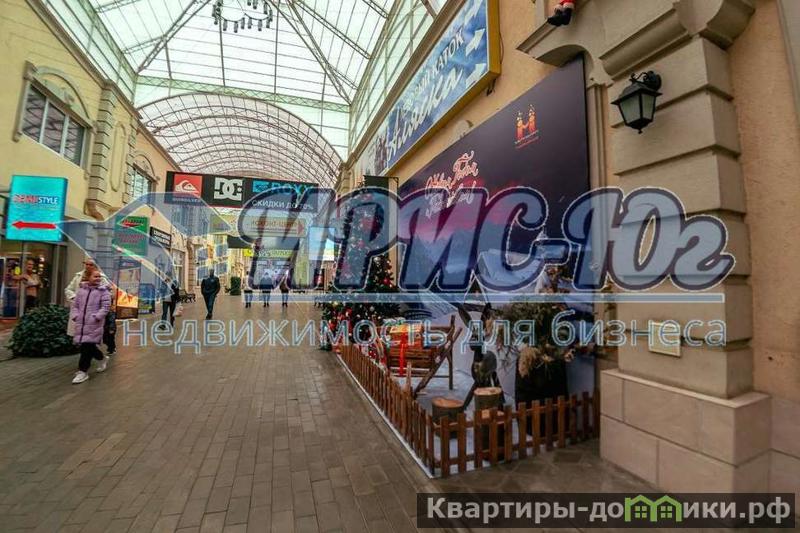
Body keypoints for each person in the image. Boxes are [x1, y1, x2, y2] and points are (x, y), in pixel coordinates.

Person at [70, 269, 112, 384]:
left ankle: (82, 371)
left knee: (86, 347)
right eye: (95, 276)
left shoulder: (103, 291)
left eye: (99, 276)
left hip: (94, 324)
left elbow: (106, 307)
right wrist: (75, 316)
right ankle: (102, 358)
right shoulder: (81, 290)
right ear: (88, 277)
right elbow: (75, 305)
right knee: (88, 346)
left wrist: (97, 317)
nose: (98, 278)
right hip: (81, 323)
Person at [65, 258, 115, 353]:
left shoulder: (101, 277)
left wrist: (99, 315)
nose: (88, 266)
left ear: (95, 266)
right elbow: (68, 289)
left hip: (93, 314)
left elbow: (109, 293)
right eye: (86, 264)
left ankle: (94, 355)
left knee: (90, 338)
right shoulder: (78, 276)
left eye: (90, 264)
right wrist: (75, 298)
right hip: (81, 313)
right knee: (82, 337)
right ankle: (94, 355)